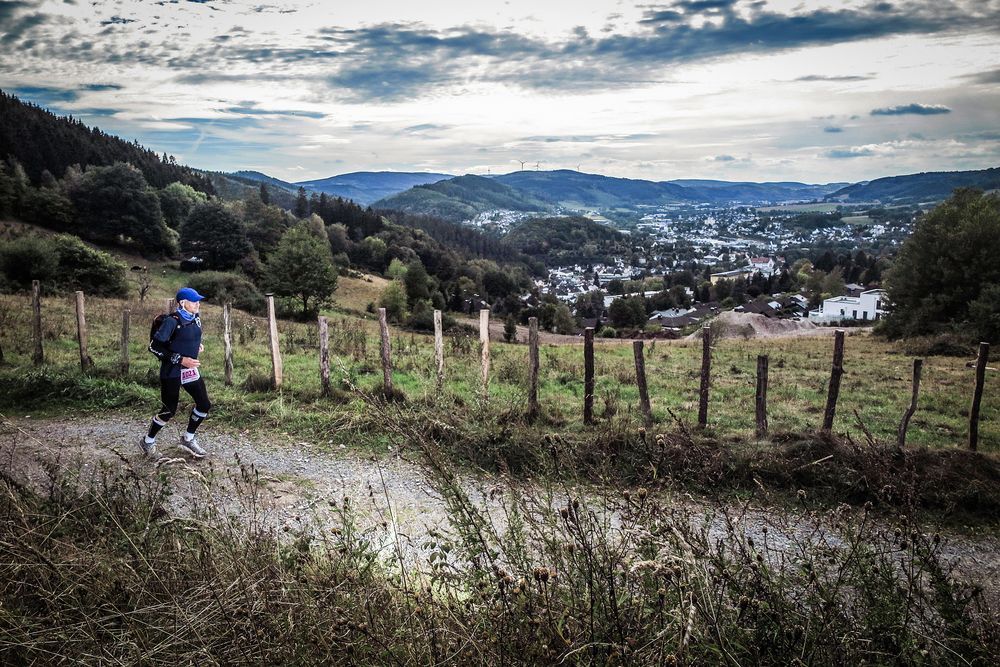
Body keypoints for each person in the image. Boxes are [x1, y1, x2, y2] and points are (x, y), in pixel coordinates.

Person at [139, 287, 211, 458]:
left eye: (198, 301)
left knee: (204, 404)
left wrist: (196, 345)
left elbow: (190, 335)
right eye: (194, 301)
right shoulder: (172, 321)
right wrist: (180, 359)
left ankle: (188, 438)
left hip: (190, 370)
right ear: (182, 303)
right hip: (172, 370)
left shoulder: (196, 318)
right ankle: (147, 441)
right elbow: (154, 347)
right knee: (168, 410)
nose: (198, 304)